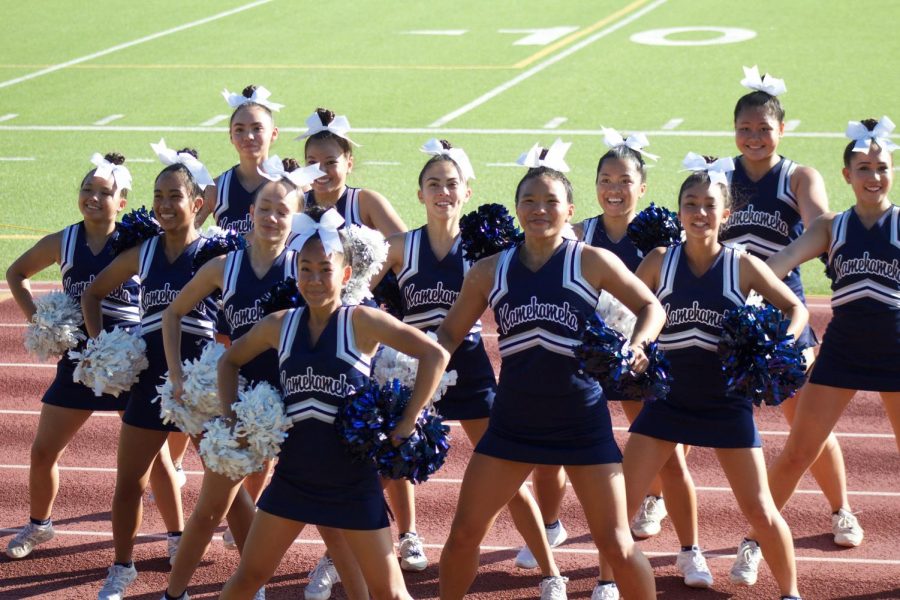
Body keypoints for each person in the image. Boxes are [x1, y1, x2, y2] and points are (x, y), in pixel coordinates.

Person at [436, 149, 664, 600]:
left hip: (581, 422)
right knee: (463, 535)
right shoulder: (489, 270)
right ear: (517, 207)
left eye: (552, 201)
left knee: (617, 544)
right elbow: (448, 333)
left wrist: (637, 345)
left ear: (571, 211)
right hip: (513, 423)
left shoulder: (591, 261)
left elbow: (650, 306)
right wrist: (419, 373)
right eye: (530, 201)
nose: (540, 210)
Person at [218, 206, 450, 600]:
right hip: (294, 477)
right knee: (247, 578)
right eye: (305, 269)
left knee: (390, 593)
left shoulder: (362, 321)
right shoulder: (279, 324)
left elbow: (435, 355)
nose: (314, 279)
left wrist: (409, 419)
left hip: (352, 482)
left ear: (345, 275)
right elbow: (229, 360)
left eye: (325, 269)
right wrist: (231, 419)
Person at [371, 139, 560, 579]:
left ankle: (552, 573)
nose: (443, 192)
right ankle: (360, 553)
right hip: (413, 370)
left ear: (467, 192)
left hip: (470, 368)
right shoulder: (400, 247)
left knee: (507, 474)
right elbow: (356, 297)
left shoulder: (482, 250)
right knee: (387, 461)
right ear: (419, 194)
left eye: (452, 184)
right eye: (433, 184)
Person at [626, 154, 806, 600]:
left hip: (727, 401)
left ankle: (791, 593)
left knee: (761, 509)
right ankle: (607, 583)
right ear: (679, 210)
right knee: (620, 504)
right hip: (667, 399)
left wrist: (777, 347)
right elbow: (622, 307)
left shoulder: (741, 264)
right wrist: (635, 346)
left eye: (709, 205)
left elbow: (795, 308)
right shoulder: (658, 261)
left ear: (726, 214)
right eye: (691, 204)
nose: (700, 213)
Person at [159, 158, 340, 600]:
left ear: (294, 217)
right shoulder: (226, 267)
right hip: (240, 404)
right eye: (265, 208)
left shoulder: (306, 270)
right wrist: (179, 374)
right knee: (207, 511)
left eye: (282, 210)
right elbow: (174, 313)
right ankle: (174, 593)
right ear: (252, 211)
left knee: (333, 512)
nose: (272, 217)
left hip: (296, 402)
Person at [733, 117, 900, 585]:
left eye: (882, 168)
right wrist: (733, 287)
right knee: (796, 453)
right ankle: (752, 542)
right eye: (863, 168)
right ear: (846, 175)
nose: (873, 177)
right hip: (843, 351)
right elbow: (777, 266)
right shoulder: (831, 227)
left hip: (895, 350)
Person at [721, 68, 858, 570]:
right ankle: (659, 495)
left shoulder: (798, 176)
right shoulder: (720, 175)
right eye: (745, 129)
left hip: (783, 313)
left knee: (804, 421)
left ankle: (841, 509)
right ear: (733, 130)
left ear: (782, 130)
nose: (755, 138)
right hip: (726, 312)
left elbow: (818, 221)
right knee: (694, 403)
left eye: (764, 128)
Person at [3, 153, 164, 560]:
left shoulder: (138, 241)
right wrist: (39, 321)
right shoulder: (65, 240)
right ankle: (40, 526)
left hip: (130, 362)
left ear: (122, 201)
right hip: (78, 361)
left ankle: (177, 536)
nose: (93, 197)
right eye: (87, 189)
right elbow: (16, 273)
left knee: (157, 461)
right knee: (43, 451)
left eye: (104, 192)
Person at [573, 132, 705, 599]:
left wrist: (643, 345)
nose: (614, 188)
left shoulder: (658, 235)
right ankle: (551, 529)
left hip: (640, 356)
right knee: (572, 448)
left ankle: (689, 547)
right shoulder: (581, 234)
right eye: (605, 179)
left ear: (642, 186)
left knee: (665, 457)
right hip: (591, 358)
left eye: (625, 180)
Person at [82, 146, 217, 600]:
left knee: (225, 479)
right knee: (129, 482)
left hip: (199, 384)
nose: (163, 204)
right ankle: (122, 568)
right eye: (158, 194)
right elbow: (94, 294)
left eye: (174, 195)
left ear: (197, 203)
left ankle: (249, 581)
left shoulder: (216, 254)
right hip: (151, 382)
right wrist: (103, 346)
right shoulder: (144, 252)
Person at [298, 107, 412, 599]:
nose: (321, 170)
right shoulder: (298, 204)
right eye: (312, 161)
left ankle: (404, 534)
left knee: (375, 435)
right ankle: (336, 551)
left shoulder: (364, 201)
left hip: (367, 330)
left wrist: (361, 284)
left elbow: (403, 243)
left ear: (348, 161)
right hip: (319, 331)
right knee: (327, 436)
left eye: (330, 160)